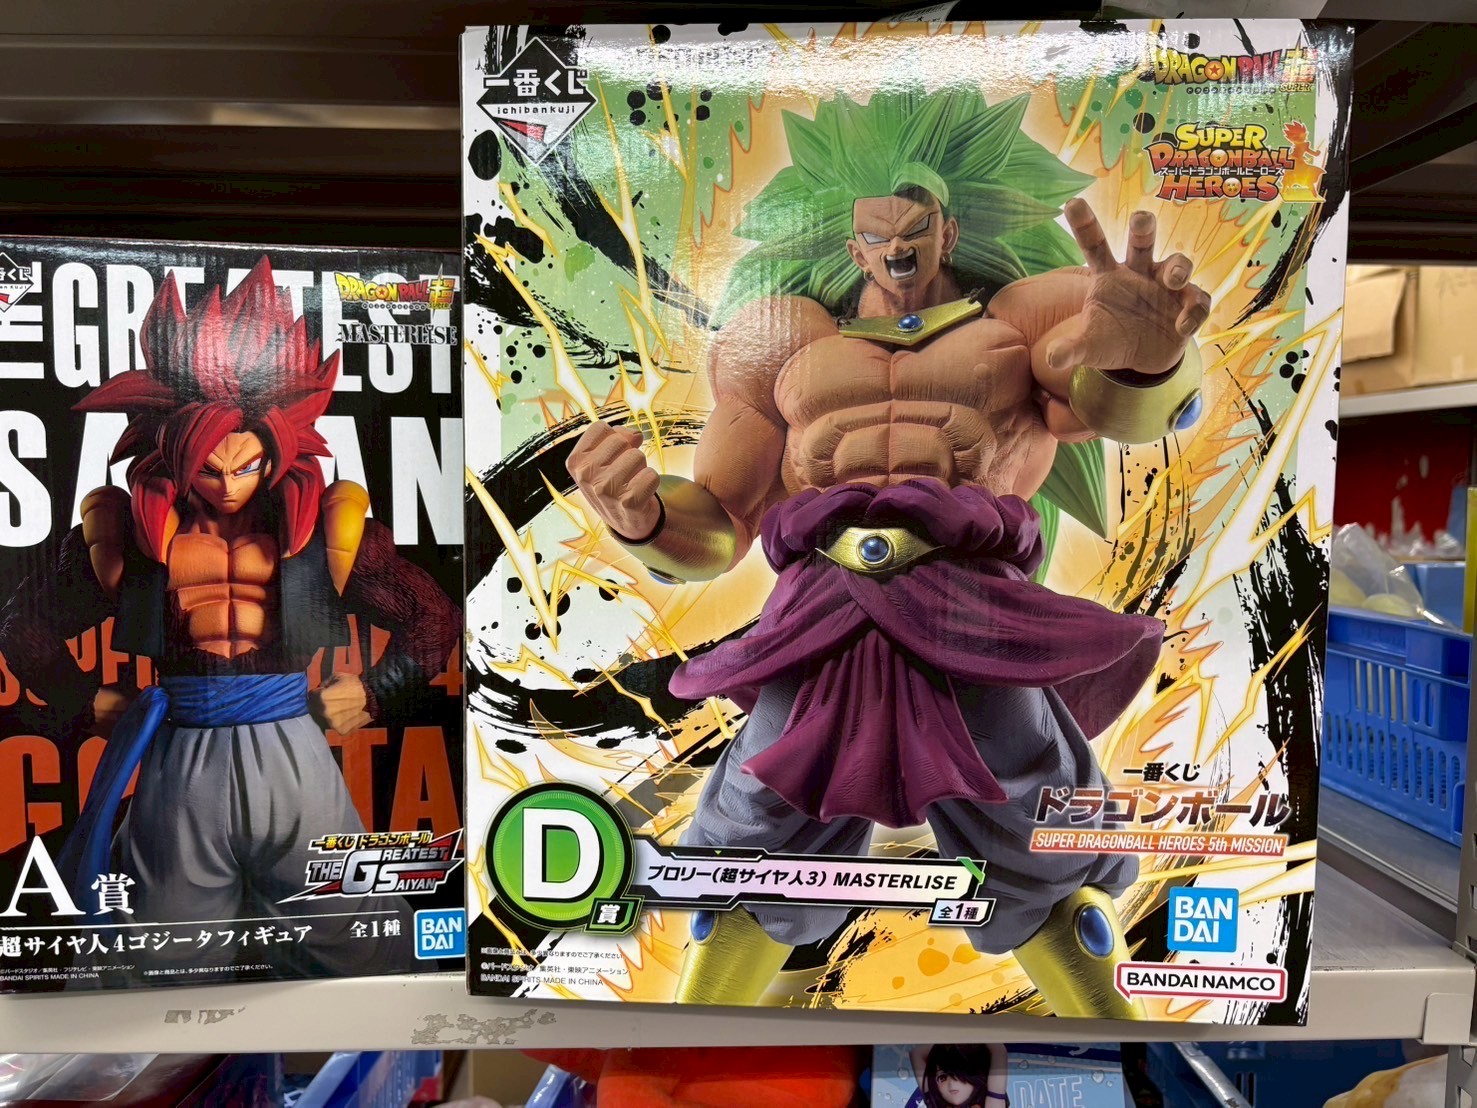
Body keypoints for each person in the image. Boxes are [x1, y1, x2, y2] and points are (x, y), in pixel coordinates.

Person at [567, 88, 1210, 1017]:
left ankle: (1130, 1049)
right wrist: (640, 515)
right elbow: (719, 520)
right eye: (877, 233)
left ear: (948, 230)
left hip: (967, 606)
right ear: (852, 246)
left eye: (914, 228)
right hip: (820, 609)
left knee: (1036, 827)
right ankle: (688, 1040)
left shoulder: (1017, 320)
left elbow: (1097, 389)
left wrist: (1143, 357)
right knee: (752, 828)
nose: (897, 248)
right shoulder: (782, 344)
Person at [0, 258, 461, 979]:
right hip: (181, 750)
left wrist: (378, 689)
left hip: (291, 740)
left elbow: (433, 619)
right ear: (174, 453)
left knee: (353, 944)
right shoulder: (132, 535)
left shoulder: (323, 529)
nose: (227, 487)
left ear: (277, 451)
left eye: (245, 468)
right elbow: (23, 629)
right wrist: (85, 700)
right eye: (209, 471)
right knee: (163, 953)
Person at [909, 1045, 1008, 1108]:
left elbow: (998, 1051)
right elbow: (916, 1054)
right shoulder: (935, 1100)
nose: (951, 1084)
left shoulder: (991, 1103)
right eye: (942, 1078)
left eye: (959, 1076)